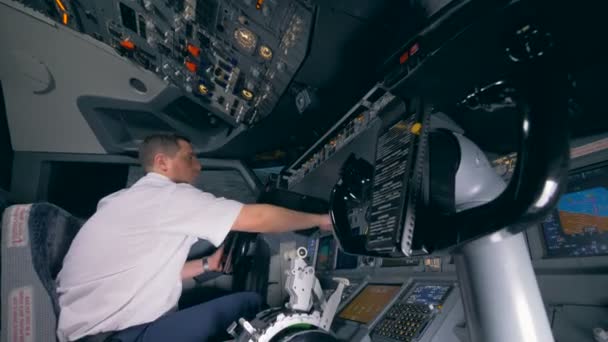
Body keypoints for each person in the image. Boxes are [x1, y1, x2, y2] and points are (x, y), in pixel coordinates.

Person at [56, 133, 332, 342]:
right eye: (189, 157)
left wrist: (208, 265)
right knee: (249, 303)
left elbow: (148, 270)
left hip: (93, 332)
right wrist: (321, 220)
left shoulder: (121, 201)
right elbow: (257, 219)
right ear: (162, 162)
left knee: (219, 297)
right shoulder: (165, 196)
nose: (198, 167)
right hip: (118, 335)